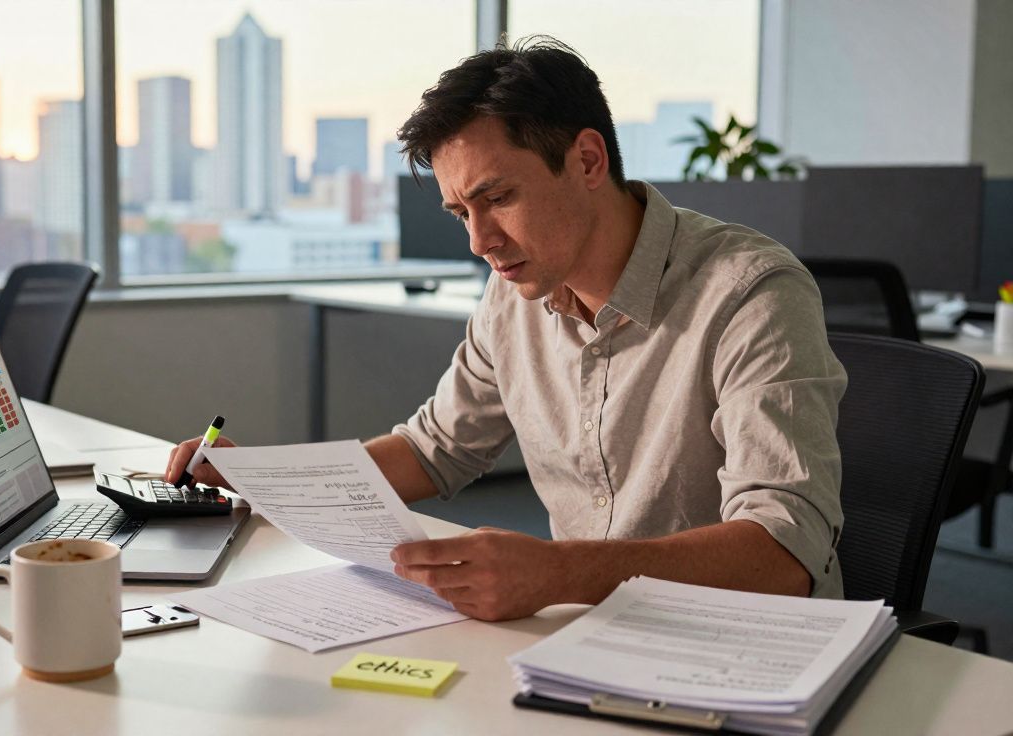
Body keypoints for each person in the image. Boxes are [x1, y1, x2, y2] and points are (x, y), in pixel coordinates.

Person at [167, 37, 846, 622]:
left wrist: (558, 573)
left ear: (587, 161)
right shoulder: (515, 293)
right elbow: (433, 450)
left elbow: (784, 551)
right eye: (462, 211)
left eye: (497, 198)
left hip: (744, 649)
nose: (479, 241)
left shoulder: (748, 291)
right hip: (587, 634)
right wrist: (261, 481)